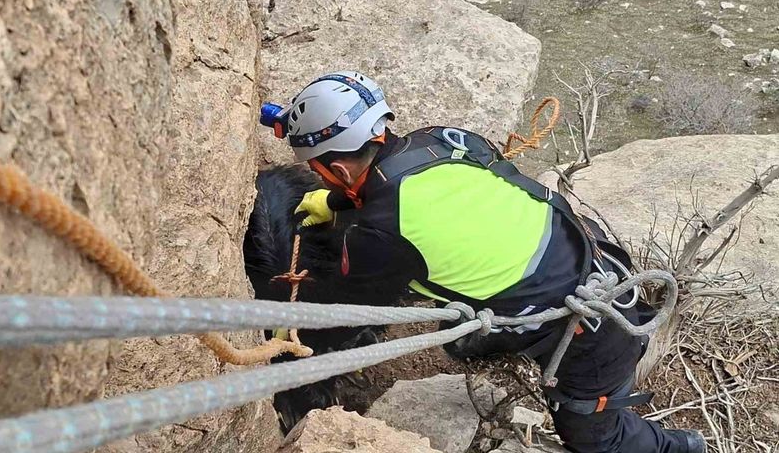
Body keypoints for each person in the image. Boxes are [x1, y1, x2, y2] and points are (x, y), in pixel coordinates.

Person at [261, 70, 705, 453]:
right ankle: (499, 336)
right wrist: (336, 202)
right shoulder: (442, 141)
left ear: (337, 170)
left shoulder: (377, 236)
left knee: (590, 433)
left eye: (321, 173)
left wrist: (294, 329)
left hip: (593, 327)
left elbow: (349, 309)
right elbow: (396, 193)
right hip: (594, 255)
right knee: (472, 324)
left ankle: (679, 446)